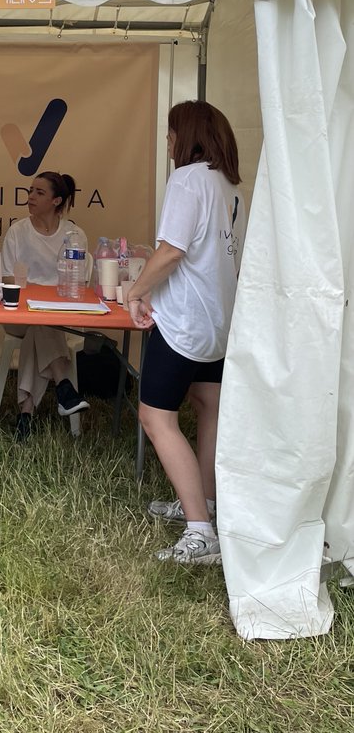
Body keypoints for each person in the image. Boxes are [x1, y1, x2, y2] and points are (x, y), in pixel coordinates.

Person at [126, 100, 246, 567]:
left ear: (189, 135)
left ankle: (199, 531)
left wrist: (135, 290)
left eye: (172, 134)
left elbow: (173, 251)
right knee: (208, 407)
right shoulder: (230, 185)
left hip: (184, 322)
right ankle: (205, 505)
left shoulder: (188, 179)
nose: (169, 142)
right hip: (220, 319)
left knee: (156, 417)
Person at [1, 172, 90, 439]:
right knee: (38, 321)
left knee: (39, 328)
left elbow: (81, 283)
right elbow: (7, 278)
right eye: (30, 191)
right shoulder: (18, 232)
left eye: (39, 192)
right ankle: (63, 386)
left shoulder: (75, 235)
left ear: (56, 200)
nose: (30, 197)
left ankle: (25, 415)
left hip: (61, 317)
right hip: (20, 314)